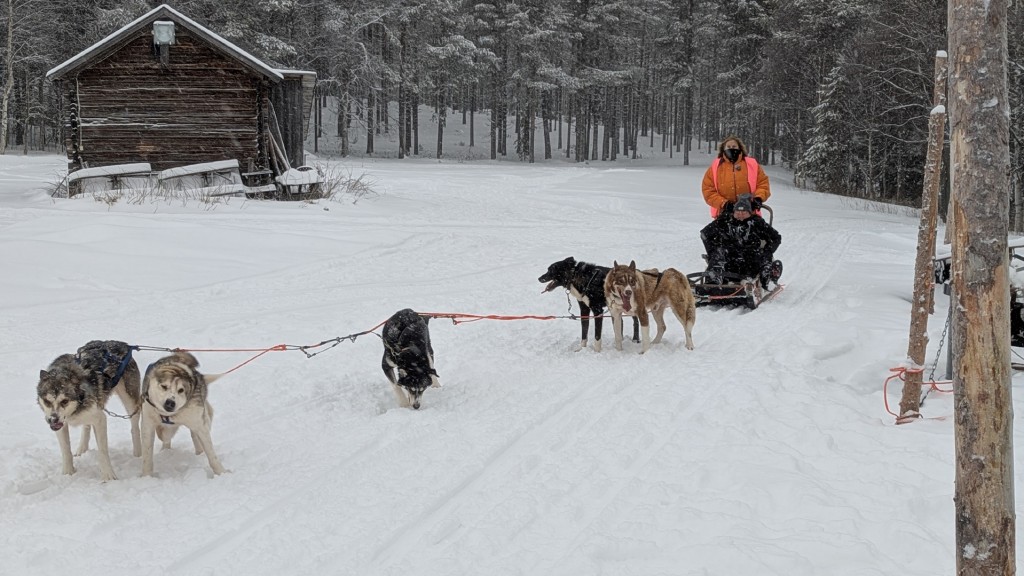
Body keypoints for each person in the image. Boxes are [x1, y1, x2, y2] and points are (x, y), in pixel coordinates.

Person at [700, 193, 782, 288]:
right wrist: (712, 251)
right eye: (737, 213)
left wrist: (767, 252)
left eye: (744, 213)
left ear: (749, 213)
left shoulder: (757, 222)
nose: (740, 216)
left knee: (759, 261)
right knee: (719, 253)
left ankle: (762, 281)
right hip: (728, 259)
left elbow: (776, 237)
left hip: (750, 259)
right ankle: (712, 284)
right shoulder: (725, 220)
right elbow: (705, 234)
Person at [701, 136, 770, 218]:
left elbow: (763, 184)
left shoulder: (752, 164)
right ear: (723, 149)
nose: (731, 149)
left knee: (767, 231)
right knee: (708, 231)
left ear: (740, 148)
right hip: (724, 213)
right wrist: (724, 203)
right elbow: (708, 190)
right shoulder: (715, 167)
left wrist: (758, 198)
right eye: (728, 147)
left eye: (734, 147)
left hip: (749, 213)